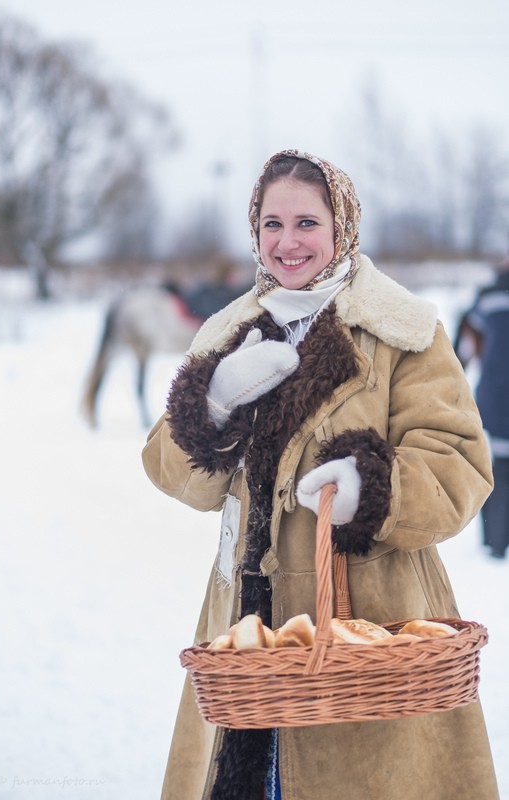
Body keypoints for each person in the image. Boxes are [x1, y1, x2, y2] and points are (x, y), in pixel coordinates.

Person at [142, 149, 499, 800]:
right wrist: (212, 403)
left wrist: (375, 490)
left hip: (370, 631)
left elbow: (460, 464)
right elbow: (175, 476)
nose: (287, 242)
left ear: (341, 229)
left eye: (305, 222)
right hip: (246, 635)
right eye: (271, 225)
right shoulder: (230, 334)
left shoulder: (402, 333)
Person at [455, 258, 509, 559]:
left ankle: (496, 542)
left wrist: (454, 372)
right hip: (498, 397)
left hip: (495, 396)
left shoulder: (486, 297)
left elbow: (465, 339)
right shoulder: (488, 297)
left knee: (498, 469)